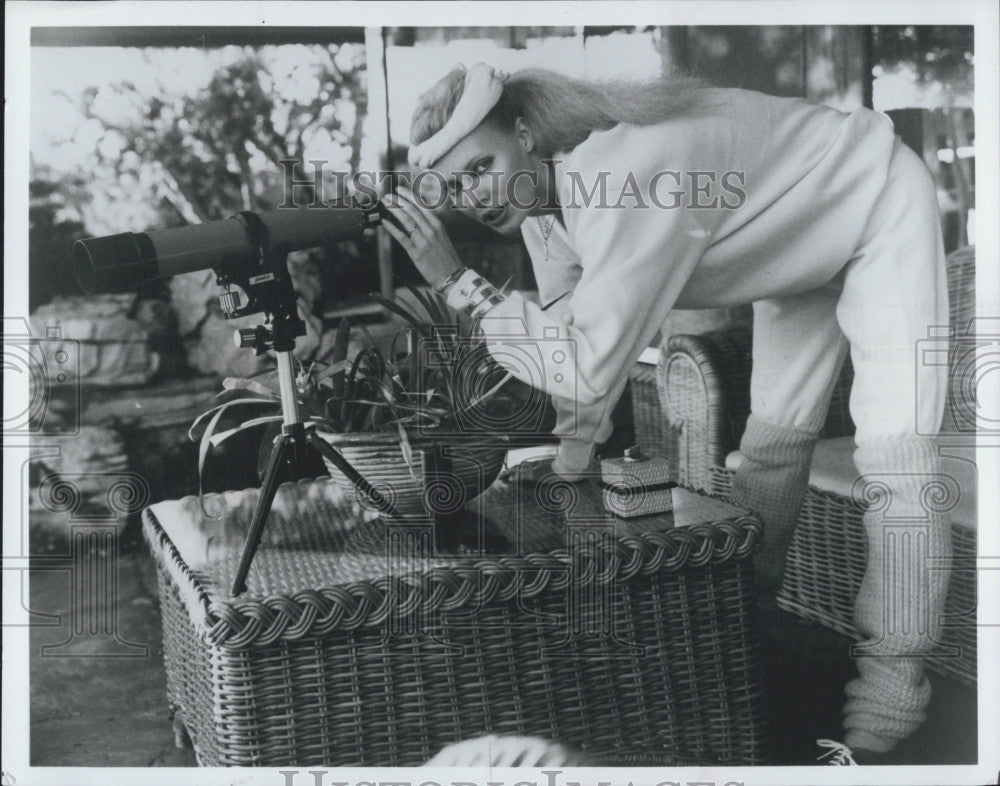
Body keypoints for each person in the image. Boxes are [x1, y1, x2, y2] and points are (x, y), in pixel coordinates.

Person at [381, 62, 951, 765]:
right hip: (794, 244)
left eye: (481, 166)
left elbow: (584, 373)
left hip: (872, 197)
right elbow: (574, 360)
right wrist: (562, 471)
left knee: (898, 460)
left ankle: (890, 704)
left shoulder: (620, 176)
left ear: (524, 132)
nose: (474, 197)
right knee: (770, 451)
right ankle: (741, 639)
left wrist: (454, 279)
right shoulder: (547, 209)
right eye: (456, 186)